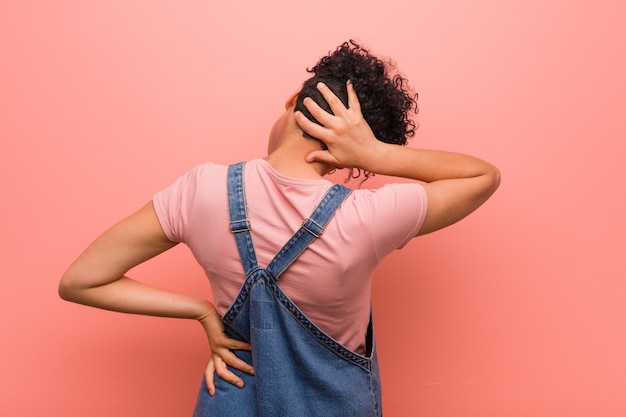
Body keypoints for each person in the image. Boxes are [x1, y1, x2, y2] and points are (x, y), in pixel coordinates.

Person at [59, 40, 500, 416]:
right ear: (353, 147)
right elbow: (483, 177)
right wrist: (378, 156)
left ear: (293, 99)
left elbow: (81, 280)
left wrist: (202, 313)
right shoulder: (368, 217)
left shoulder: (201, 191)